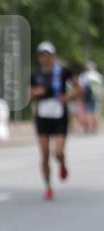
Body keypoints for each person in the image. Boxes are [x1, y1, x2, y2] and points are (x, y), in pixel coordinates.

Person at [29, 41, 79, 200]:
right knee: (45, 155)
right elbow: (28, 96)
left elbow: (78, 88)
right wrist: (35, 93)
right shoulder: (35, 74)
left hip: (59, 116)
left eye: (48, 55)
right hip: (42, 116)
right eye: (42, 55)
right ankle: (48, 186)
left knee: (58, 152)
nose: (45, 58)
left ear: (53, 56)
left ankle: (62, 163)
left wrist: (69, 97)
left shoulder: (62, 72)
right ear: (39, 57)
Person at [78, 60, 103, 133]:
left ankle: (89, 127)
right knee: (96, 112)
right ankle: (95, 127)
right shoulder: (98, 75)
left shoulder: (84, 75)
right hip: (97, 96)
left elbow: (81, 87)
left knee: (88, 111)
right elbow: (101, 87)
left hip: (87, 97)